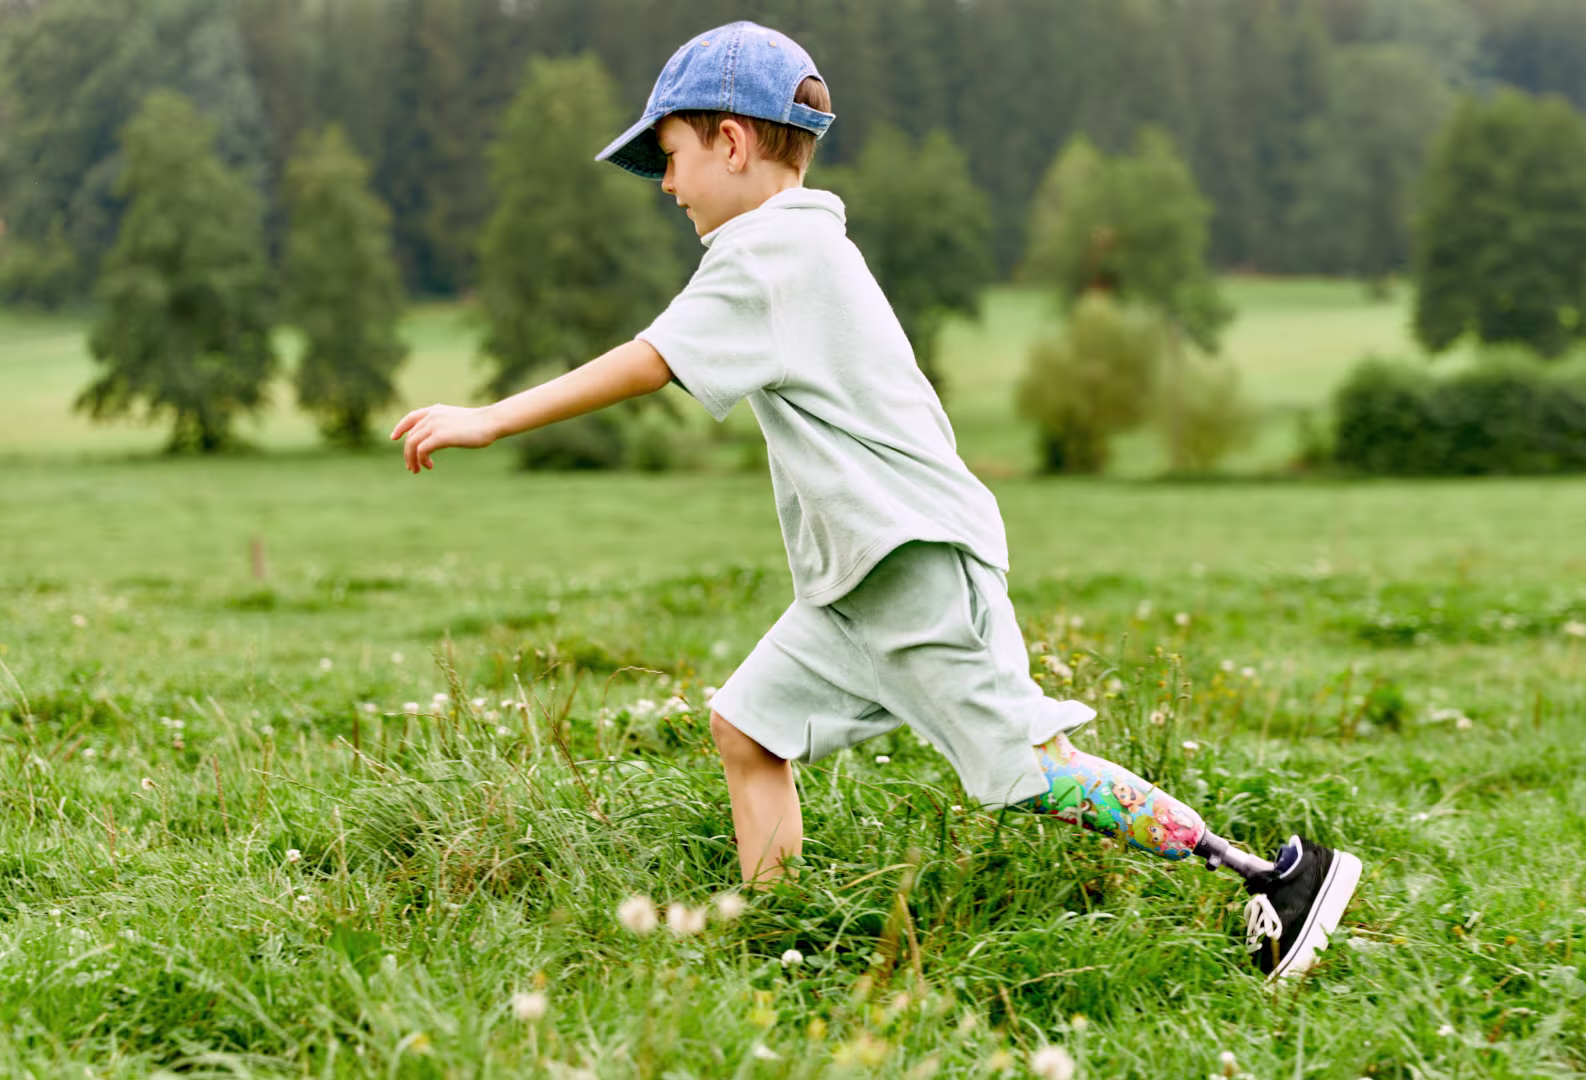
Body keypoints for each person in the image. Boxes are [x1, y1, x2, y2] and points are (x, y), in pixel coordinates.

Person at [389, 19, 1359, 979]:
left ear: (731, 142)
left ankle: (1275, 876)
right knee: (749, 729)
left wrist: (490, 418)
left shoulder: (770, 255)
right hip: (858, 581)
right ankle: (783, 936)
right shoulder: (798, 249)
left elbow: (650, 362)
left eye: (673, 157)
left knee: (1024, 769)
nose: (670, 187)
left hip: (913, 563)